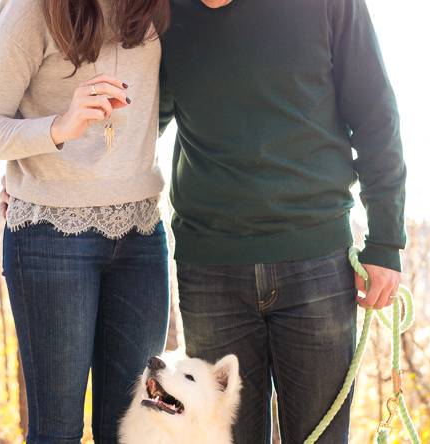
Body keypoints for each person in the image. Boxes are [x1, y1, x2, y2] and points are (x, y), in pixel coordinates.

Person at [157, 0, 406, 443]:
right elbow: (135, 118)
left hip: (317, 263)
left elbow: (375, 115)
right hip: (209, 270)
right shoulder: (160, 12)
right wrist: (40, 171)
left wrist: (386, 241)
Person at [0, 1, 170, 442]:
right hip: (50, 237)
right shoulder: (31, 12)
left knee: (132, 429)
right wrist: (59, 126)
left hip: (140, 236)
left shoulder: (156, 8)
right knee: (57, 431)